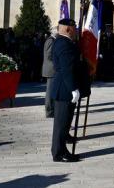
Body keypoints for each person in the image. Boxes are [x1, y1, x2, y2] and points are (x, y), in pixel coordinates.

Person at [50, 18, 82, 162]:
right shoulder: (64, 43)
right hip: (65, 89)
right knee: (61, 124)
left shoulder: (64, 42)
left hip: (64, 88)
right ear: (68, 29)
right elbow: (66, 69)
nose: (76, 30)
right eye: (74, 28)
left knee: (65, 123)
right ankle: (58, 153)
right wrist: (73, 89)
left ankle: (62, 150)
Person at [42, 31, 57, 119]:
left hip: (52, 69)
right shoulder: (50, 40)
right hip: (51, 69)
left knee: (51, 90)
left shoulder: (53, 40)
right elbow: (49, 55)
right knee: (50, 91)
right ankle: (49, 111)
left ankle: (52, 109)